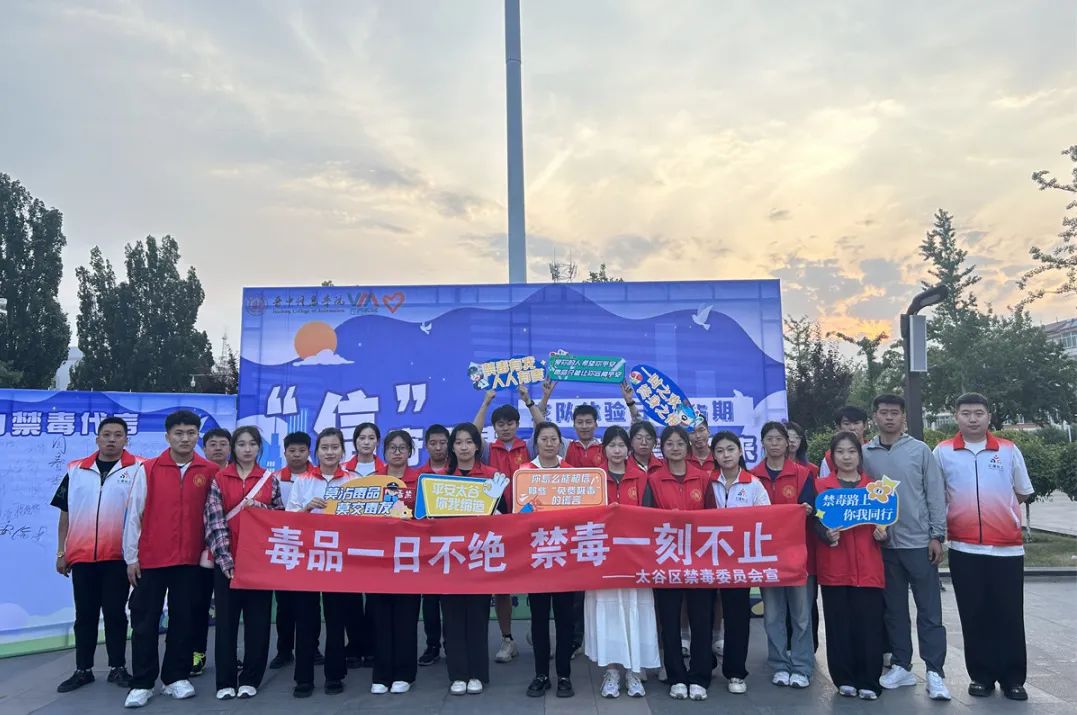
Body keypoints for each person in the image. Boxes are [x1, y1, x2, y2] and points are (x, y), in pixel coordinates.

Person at [933, 393, 1033, 701]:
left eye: (978, 413)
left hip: (1006, 549)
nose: (973, 418)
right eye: (966, 413)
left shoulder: (1008, 449)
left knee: (1009, 614)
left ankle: (1013, 678)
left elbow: (1022, 492)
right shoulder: (943, 452)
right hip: (964, 548)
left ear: (989, 416)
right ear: (956, 416)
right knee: (973, 614)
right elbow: (937, 495)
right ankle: (981, 676)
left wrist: (999, 514)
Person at [122, 410, 218, 708]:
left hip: (190, 560)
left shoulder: (210, 470)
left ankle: (176, 677)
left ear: (198, 436)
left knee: (184, 619)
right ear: (167, 437)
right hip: (151, 559)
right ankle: (142, 682)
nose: (185, 438)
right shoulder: (148, 469)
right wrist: (131, 557)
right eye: (179, 433)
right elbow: (134, 515)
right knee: (144, 622)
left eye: (191, 433)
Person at [864, 395, 951, 700]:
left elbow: (935, 493)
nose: (889, 418)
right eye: (883, 412)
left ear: (903, 417)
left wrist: (937, 535)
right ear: (875, 416)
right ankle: (902, 665)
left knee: (929, 611)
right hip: (885, 545)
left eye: (894, 413)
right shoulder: (865, 453)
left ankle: (935, 671)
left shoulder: (920, 450)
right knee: (894, 611)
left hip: (920, 543)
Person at [51, 417, 139, 693]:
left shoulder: (139, 469)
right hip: (82, 556)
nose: (112, 439)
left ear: (126, 439)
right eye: (107, 434)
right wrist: (62, 551)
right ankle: (83, 670)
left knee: (115, 614)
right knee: (85, 615)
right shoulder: (76, 470)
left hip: (118, 556)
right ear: (97, 438)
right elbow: (65, 513)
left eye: (118, 435)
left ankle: (117, 667)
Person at [203, 426, 282, 700]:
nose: (247, 449)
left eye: (252, 444)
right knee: (226, 624)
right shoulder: (220, 478)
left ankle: (250, 678)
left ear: (259, 447)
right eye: (241, 444)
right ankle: (225, 681)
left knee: (258, 623)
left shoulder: (269, 480)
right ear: (233, 448)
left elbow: (281, 519)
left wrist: (263, 510)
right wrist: (226, 561)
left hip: (260, 565)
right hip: (227, 563)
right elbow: (214, 521)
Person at [810, 432, 887, 700]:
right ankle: (844, 678)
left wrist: (883, 535)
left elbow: (886, 521)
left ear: (859, 455)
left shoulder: (875, 488)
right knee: (838, 624)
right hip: (835, 567)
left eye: (851, 451)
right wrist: (825, 534)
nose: (846, 457)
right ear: (832, 456)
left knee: (869, 625)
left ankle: (869, 680)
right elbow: (814, 522)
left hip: (868, 567)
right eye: (840, 452)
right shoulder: (821, 486)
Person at [472, 385, 545, 664]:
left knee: (538, 581)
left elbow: (544, 429)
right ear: (495, 427)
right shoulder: (487, 451)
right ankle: (507, 639)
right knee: (502, 584)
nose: (505, 428)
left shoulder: (528, 447)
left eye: (510, 423)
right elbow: (472, 432)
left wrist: (529, 402)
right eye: (500, 424)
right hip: (498, 521)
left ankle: (538, 633)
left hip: (529, 520)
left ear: (516, 425)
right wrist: (485, 402)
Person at [588, 426, 659, 699]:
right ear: (603, 449)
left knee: (635, 611)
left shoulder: (641, 477)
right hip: (603, 559)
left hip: (634, 559)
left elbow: (649, 518)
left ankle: (634, 671)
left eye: (621, 445)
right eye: (612, 445)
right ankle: (611, 672)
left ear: (628, 449)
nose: (617, 451)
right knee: (607, 613)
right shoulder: (593, 478)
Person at [286, 427, 354, 698]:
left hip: (338, 558)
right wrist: (306, 509)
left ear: (342, 451)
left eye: (335, 447)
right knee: (305, 619)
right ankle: (303, 678)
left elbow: (363, 520)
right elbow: (288, 519)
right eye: (324, 447)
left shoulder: (353, 480)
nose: (329, 452)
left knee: (336, 618)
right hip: (307, 558)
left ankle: (334, 675)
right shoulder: (303, 481)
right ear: (317, 452)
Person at [648, 425, 715, 701]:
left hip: (699, 558)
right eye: (669, 444)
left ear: (687, 447)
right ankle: (676, 675)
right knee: (669, 619)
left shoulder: (703, 477)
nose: (675, 448)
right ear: (662, 449)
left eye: (679, 443)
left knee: (701, 618)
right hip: (667, 560)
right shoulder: (654, 480)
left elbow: (713, 518)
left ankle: (699, 675)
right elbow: (646, 519)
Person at [441, 422, 505, 696]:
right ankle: (458, 674)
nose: (464, 447)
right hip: (449, 557)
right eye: (458, 442)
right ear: (452, 447)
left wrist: (493, 507)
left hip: (480, 555)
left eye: (469, 442)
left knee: (478, 616)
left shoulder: (492, 477)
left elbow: (506, 519)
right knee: (452, 618)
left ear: (478, 446)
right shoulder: (440, 479)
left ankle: (477, 673)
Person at [750, 421, 815, 689]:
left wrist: (806, 510)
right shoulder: (752, 477)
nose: (775, 443)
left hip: (797, 556)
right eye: (770, 438)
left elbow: (811, 509)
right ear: (762, 443)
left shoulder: (802, 474)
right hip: (767, 557)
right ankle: (778, 664)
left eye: (779, 439)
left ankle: (801, 666)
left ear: (788, 443)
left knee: (801, 615)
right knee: (773, 614)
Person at [710, 431, 770, 695]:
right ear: (714, 456)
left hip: (739, 563)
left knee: (737, 617)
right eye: (720, 451)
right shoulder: (707, 482)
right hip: (706, 559)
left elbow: (768, 518)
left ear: (740, 452)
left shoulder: (754, 484)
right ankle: (705, 664)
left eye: (730, 449)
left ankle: (735, 672)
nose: (726, 455)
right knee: (705, 614)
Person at [524, 422, 579, 698]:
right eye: (543, 439)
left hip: (565, 558)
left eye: (553, 439)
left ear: (560, 443)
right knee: (538, 619)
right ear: (536, 443)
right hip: (535, 558)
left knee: (565, 619)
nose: (548, 443)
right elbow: (518, 516)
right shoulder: (524, 473)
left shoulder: (572, 474)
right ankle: (541, 674)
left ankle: (564, 675)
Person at [368, 430, 423, 695]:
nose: (397, 452)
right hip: (378, 559)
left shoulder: (421, 481)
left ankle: (404, 673)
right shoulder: (372, 480)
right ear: (384, 451)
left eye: (402, 447)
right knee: (379, 617)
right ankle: (381, 674)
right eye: (392, 447)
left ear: (410, 452)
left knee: (405, 617)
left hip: (409, 558)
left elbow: (428, 519)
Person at [269, 432, 324, 670]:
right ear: (284, 453)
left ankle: (312, 648)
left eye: (302, 451)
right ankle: (284, 650)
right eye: (292, 451)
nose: (297, 455)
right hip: (285, 545)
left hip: (313, 547)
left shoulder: (318, 477)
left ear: (309, 452)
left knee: (311, 603)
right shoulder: (273, 478)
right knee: (284, 603)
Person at [190, 427, 231, 679]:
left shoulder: (237, 474)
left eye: (223, 444)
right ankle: (197, 652)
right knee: (198, 604)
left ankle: (229, 656)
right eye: (212, 444)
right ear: (204, 449)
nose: (218, 448)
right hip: (200, 550)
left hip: (231, 553)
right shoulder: (197, 473)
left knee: (229, 609)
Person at [341, 422, 382, 668]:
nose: (366, 442)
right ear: (355, 441)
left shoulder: (385, 471)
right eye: (362, 438)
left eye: (371, 438)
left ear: (377, 442)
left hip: (378, 540)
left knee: (375, 595)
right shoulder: (343, 470)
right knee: (350, 596)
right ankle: (354, 644)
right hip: (349, 539)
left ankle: (373, 646)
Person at [417, 424, 451, 667]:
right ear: (426, 445)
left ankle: (452, 644)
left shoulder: (457, 472)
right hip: (427, 548)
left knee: (450, 601)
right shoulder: (418, 475)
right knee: (429, 601)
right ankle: (432, 645)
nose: (438, 448)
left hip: (454, 547)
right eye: (433, 443)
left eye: (442, 443)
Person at [818, 406, 868, 477]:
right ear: (838, 427)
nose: (852, 428)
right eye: (847, 424)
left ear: (865, 425)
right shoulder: (829, 458)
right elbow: (824, 481)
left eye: (856, 423)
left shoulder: (874, 452)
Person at [563, 403, 605, 468]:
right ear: (574, 425)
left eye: (588, 422)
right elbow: (546, 431)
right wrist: (546, 399)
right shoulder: (566, 446)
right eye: (580, 422)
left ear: (596, 424)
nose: (584, 426)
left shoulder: (604, 447)